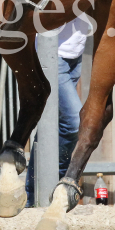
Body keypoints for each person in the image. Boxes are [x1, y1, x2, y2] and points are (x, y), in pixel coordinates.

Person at [25, 14, 91, 204]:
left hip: (75, 53)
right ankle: (58, 182)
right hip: (53, 53)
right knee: (74, 122)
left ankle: (32, 193)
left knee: (50, 129)